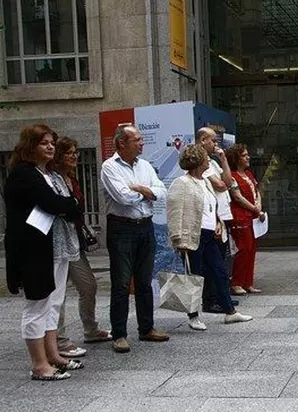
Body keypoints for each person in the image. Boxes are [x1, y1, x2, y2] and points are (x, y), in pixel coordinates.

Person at [5, 124, 84, 380]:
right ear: (30, 146)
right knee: (37, 305)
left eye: (52, 142)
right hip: (32, 249)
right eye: (44, 143)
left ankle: (53, 355)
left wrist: (69, 204)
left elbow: (69, 204)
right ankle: (39, 364)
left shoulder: (46, 173)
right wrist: (69, 204)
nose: (50, 147)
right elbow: (53, 203)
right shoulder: (24, 173)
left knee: (52, 302)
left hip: (52, 246)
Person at [167, 144, 253, 330]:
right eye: (206, 159)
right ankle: (193, 317)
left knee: (219, 272)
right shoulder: (182, 183)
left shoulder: (205, 181)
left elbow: (211, 206)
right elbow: (175, 212)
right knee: (195, 276)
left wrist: (217, 222)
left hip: (210, 234)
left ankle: (230, 312)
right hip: (192, 236)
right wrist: (177, 238)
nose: (209, 161)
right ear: (198, 161)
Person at [100, 124, 170, 353]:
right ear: (121, 143)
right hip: (121, 228)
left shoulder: (145, 165)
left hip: (145, 226)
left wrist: (139, 188)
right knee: (121, 283)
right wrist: (146, 192)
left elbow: (161, 192)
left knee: (144, 281)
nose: (142, 143)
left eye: (141, 139)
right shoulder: (109, 167)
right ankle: (119, 334)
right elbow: (123, 198)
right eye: (137, 140)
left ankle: (146, 328)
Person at [50, 137, 112, 357]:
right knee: (57, 292)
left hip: (75, 240)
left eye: (76, 152)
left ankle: (90, 329)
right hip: (57, 242)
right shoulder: (52, 179)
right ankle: (59, 339)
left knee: (88, 285)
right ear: (59, 156)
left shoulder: (72, 179)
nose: (74, 156)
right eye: (69, 152)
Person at [195, 127, 239, 310]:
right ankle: (210, 299)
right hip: (211, 219)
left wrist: (223, 159)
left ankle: (221, 296)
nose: (216, 144)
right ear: (203, 140)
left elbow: (228, 181)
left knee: (221, 259)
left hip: (221, 216)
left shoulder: (212, 162)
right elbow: (221, 185)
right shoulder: (200, 163)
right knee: (212, 263)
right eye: (213, 140)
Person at [226, 144, 265, 294]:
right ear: (236, 159)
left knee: (251, 249)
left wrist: (258, 206)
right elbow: (237, 197)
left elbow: (257, 191)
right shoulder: (232, 176)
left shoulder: (248, 174)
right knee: (244, 248)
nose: (248, 157)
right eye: (244, 155)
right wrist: (255, 209)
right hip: (240, 216)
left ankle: (248, 282)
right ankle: (236, 283)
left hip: (252, 216)